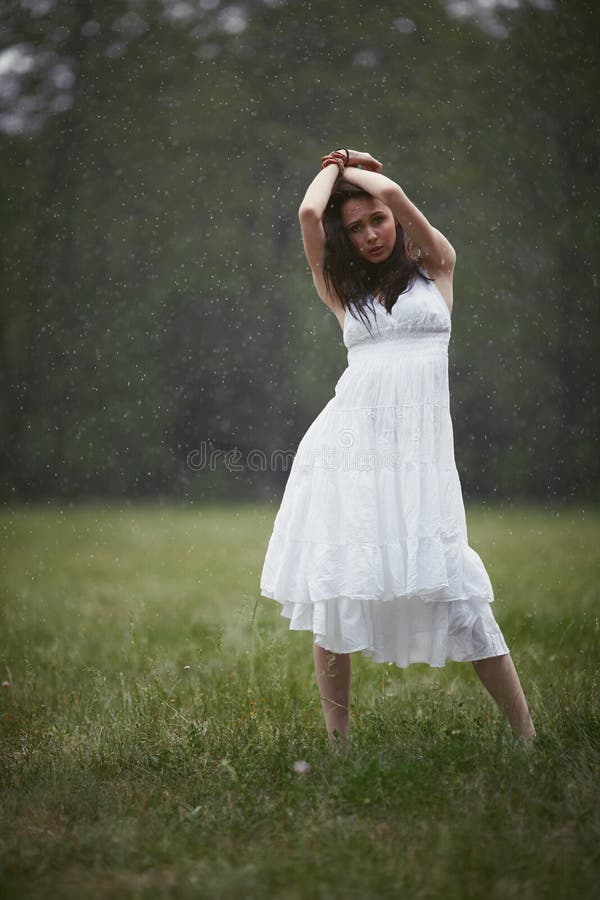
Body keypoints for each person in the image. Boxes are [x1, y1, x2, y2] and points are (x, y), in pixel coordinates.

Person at [259, 148, 536, 751]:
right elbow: (310, 212)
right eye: (355, 228)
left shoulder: (438, 267)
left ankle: (526, 736)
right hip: (350, 452)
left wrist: (365, 171)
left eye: (376, 220)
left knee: (457, 586)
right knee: (338, 585)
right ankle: (339, 745)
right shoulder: (340, 290)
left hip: (419, 462)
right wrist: (337, 163)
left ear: (395, 218)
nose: (370, 234)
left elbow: (403, 199)